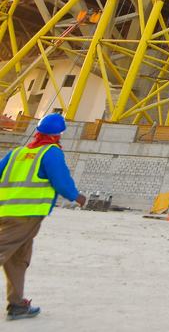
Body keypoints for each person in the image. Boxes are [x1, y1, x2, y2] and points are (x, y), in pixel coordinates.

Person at [0, 113, 86, 321]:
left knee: (18, 259)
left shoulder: (16, 153)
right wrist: (76, 196)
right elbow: (61, 180)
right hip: (25, 215)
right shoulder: (51, 152)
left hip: (6, 211)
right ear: (59, 134)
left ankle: (17, 305)